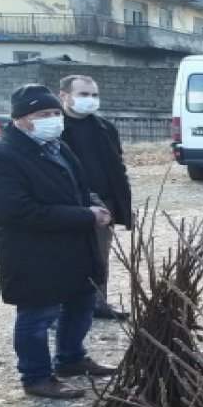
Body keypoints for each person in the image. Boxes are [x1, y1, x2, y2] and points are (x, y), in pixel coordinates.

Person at [0, 84, 118, 399]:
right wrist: (85, 217)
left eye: (55, 113)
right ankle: (36, 376)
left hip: (72, 245)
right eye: (43, 114)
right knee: (38, 315)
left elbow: (80, 188)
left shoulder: (56, 145)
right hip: (33, 252)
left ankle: (71, 359)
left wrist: (97, 204)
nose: (53, 119)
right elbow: (16, 211)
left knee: (81, 302)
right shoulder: (0, 156)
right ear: (21, 119)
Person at [59, 74, 133, 321]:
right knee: (66, 256)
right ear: (64, 96)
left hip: (105, 203)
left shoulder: (104, 128)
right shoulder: (55, 128)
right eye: (83, 95)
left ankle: (97, 304)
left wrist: (122, 205)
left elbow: (117, 167)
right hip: (67, 205)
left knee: (100, 256)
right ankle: (63, 308)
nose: (90, 100)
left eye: (94, 95)